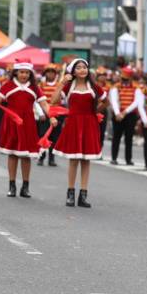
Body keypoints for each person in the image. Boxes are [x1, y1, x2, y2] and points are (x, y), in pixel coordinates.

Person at [52, 59, 108, 208]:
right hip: (73, 123)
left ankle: (83, 194)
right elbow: (54, 101)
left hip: (89, 123)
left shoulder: (94, 87)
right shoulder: (69, 86)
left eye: (84, 67)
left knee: (86, 160)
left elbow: (105, 101)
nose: (82, 70)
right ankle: (70, 193)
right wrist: (62, 83)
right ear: (73, 71)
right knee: (74, 159)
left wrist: (96, 112)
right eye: (79, 68)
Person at [0, 59, 54, 198]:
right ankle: (12, 185)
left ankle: (25, 187)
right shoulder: (8, 85)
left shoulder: (34, 87)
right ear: (15, 72)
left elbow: (44, 104)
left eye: (27, 72)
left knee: (26, 155)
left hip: (28, 124)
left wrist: (51, 116)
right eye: (21, 72)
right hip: (12, 123)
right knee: (13, 154)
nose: (24, 75)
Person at [109, 66, 142, 165]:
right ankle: (114, 158)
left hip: (130, 115)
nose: (124, 81)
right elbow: (114, 101)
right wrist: (117, 113)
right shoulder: (116, 87)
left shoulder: (136, 88)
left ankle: (128, 159)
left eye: (126, 79)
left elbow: (136, 102)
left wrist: (125, 112)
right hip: (118, 114)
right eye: (123, 79)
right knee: (116, 137)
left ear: (131, 78)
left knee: (129, 137)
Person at [37, 63, 63, 167]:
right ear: (45, 74)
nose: (51, 74)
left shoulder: (59, 85)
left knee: (55, 137)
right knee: (44, 135)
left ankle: (52, 158)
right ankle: (41, 157)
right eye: (49, 72)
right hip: (44, 114)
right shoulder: (41, 85)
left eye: (53, 72)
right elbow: (37, 100)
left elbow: (64, 99)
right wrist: (40, 113)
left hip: (57, 114)